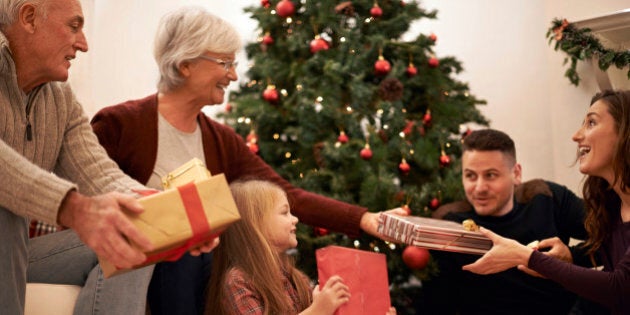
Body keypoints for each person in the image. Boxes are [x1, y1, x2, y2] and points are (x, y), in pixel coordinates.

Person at [89, 6, 406, 315]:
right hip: (131, 259)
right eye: (224, 63)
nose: (233, 75)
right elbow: (85, 201)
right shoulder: (119, 124)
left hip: (202, 269)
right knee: (188, 240)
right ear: (185, 64)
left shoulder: (221, 140)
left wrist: (364, 219)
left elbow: (288, 194)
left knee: (207, 245)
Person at [0, 1, 217, 314]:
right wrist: (74, 208)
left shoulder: (60, 98)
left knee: (132, 232)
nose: (84, 44)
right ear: (29, 18)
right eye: (74, 26)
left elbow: (99, 174)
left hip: (16, 254)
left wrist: (171, 218)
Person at [462, 90, 630, 315]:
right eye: (470, 175)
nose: (576, 135)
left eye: (591, 122)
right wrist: (570, 256)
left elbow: (620, 289)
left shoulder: (550, 198)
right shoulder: (611, 203)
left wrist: (526, 257)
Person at [422, 128, 590, 314]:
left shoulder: (547, 197)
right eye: (470, 175)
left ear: (516, 174)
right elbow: (435, 301)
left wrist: (572, 256)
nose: (479, 188)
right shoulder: (449, 222)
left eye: (491, 175)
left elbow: (618, 234)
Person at [206, 179, 352, 315]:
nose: (295, 219)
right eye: (284, 212)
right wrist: (317, 310)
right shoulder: (238, 281)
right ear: (255, 225)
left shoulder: (296, 278)